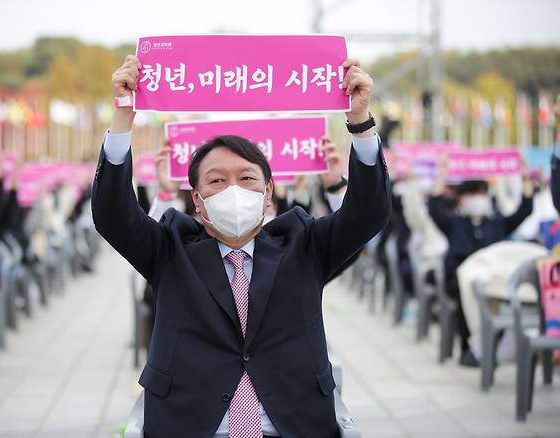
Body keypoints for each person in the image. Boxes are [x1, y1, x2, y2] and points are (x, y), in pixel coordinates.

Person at [92, 54, 391, 437]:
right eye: (216, 181)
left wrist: (361, 124)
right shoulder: (170, 248)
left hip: (291, 426)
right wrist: (122, 119)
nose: (233, 189)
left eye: (247, 178)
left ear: (268, 193)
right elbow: (112, 214)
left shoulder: (304, 243)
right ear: (197, 201)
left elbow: (368, 213)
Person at [428, 158, 533, 367]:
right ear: (461, 199)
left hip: (492, 279)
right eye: (472, 194)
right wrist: (441, 173)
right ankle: (470, 347)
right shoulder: (454, 223)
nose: (478, 199)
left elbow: (525, 210)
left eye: (481, 193)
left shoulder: (497, 223)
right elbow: (434, 207)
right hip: (460, 279)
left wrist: (524, 175)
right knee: (466, 292)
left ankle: (495, 344)